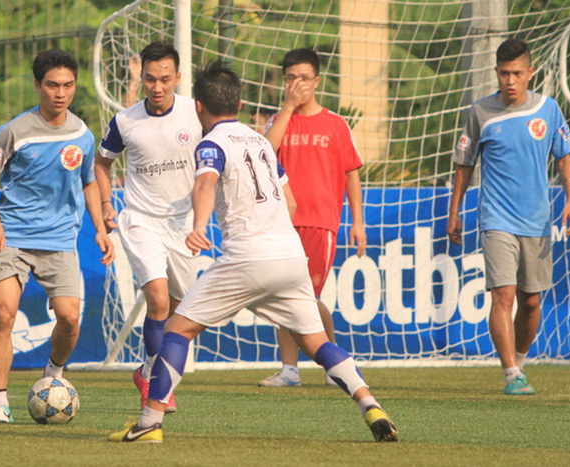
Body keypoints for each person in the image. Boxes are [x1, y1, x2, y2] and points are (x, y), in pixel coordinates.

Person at [108, 61, 398, 444]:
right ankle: (370, 403)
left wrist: (198, 227)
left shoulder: (211, 143)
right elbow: (290, 203)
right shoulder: (261, 141)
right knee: (317, 344)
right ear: (241, 102)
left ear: (198, 107)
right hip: (291, 257)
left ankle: (149, 424)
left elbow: (206, 184)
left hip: (247, 258)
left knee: (177, 330)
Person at [0, 48, 114, 423]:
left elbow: (88, 185)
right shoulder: (14, 130)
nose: (60, 93)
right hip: (12, 236)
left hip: (59, 241)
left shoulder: (83, 135)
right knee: (4, 314)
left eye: (68, 85)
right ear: (38, 85)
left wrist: (100, 230)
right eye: (52, 85)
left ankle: (53, 374)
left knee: (69, 318)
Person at [447, 39, 570, 395]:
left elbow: (564, 158)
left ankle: (519, 361)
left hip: (536, 221)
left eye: (517, 73)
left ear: (529, 73)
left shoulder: (548, 109)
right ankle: (510, 374)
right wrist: (454, 210)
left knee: (532, 300)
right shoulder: (479, 112)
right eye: (504, 73)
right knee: (503, 295)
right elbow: (464, 164)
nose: (510, 80)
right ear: (496, 73)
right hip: (496, 219)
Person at [95, 41, 202, 414]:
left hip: (183, 225)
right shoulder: (125, 121)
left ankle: (146, 372)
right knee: (157, 300)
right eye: (150, 80)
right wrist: (108, 204)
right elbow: (102, 164)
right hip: (140, 220)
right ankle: (159, 387)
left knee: (179, 309)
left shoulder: (195, 113)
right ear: (142, 78)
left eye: (165, 80)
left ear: (178, 77)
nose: (157, 88)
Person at [258, 48, 367, 387]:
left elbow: (351, 173)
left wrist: (358, 222)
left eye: (304, 78)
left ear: (316, 81)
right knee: (283, 294)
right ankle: (291, 369)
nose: (297, 85)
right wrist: (288, 109)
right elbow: (263, 155)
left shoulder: (336, 124)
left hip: (321, 223)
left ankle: (334, 363)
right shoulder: (277, 121)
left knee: (302, 296)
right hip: (282, 223)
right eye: (291, 78)